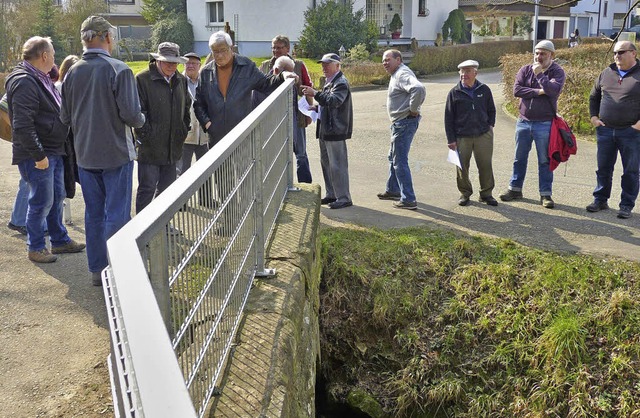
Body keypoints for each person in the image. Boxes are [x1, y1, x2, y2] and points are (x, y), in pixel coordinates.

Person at [60, 15, 146, 286]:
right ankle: (117, 270)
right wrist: (143, 120)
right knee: (116, 213)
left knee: (93, 213)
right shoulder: (119, 69)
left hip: (85, 155)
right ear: (107, 37)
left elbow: (64, 117)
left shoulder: (71, 72)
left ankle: (97, 270)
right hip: (116, 154)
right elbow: (132, 115)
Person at [5, 36, 85, 263]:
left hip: (54, 149)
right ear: (44, 56)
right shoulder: (25, 81)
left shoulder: (40, 77)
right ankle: (36, 247)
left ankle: (59, 240)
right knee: (41, 201)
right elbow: (22, 124)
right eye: (52, 53)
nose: (54, 58)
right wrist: (38, 155)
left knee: (56, 197)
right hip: (39, 154)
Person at [194, 31, 296, 148]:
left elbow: (266, 83)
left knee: (243, 165)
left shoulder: (246, 66)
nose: (219, 55)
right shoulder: (206, 73)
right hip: (216, 138)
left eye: (223, 50)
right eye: (215, 51)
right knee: (220, 167)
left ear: (231, 48)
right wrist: (208, 124)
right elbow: (199, 104)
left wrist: (282, 76)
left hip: (242, 136)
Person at [499, 40, 565, 209]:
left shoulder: (557, 71)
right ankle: (515, 189)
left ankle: (545, 194)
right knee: (519, 158)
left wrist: (540, 76)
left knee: (544, 160)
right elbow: (517, 90)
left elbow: (552, 91)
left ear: (551, 55)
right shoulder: (525, 69)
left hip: (544, 123)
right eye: (536, 53)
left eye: (543, 53)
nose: (538, 57)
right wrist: (539, 91)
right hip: (523, 121)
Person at [134, 42, 191, 213]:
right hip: (150, 149)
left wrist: (183, 129)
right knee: (147, 189)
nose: (172, 66)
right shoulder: (142, 79)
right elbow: (138, 112)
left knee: (167, 190)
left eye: (175, 62)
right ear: (158, 60)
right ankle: (142, 231)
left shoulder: (181, 79)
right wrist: (147, 135)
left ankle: (162, 226)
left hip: (173, 147)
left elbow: (186, 106)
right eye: (168, 62)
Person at [587, 41, 640, 219]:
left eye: (621, 52)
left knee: (630, 171)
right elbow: (593, 97)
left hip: (631, 132)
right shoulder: (606, 73)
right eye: (615, 53)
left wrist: (638, 126)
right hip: (605, 130)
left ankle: (626, 205)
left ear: (633, 53)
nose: (617, 56)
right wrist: (594, 118)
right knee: (603, 168)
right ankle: (600, 199)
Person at [257, 35, 313, 183]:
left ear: (288, 49)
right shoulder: (264, 66)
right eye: (274, 47)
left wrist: (309, 113)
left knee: (301, 154)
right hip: (273, 120)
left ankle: (305, 187)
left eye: (280, 47)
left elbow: (307, 89)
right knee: (277, 156)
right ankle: (280, 187)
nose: (276, 50)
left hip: (296, 116)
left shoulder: (299, 65)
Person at [302, 53, 353, 209]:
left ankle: (343, 197)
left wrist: (315, 94)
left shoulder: (341, 83)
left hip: (335, 131)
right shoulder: (332, 82)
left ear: (337, 65)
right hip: (327, 129)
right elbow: (329, 102)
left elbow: (335, 101)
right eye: (322, 64)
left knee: (337, 165)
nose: (324, 67)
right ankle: (332, 195)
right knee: (327, 164)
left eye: (327, 64)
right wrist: (317, 106)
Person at [377, 49, 426, 210]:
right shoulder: (397, 74)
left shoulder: (402, 74)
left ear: (398, 60)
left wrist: (413, 109)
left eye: (388, 59)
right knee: (393, 157)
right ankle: (393, 190)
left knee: (399, 161)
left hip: (404, 123)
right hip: (400, 123)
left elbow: (418, 88)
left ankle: (408, 199)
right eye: (383, 60)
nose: (385, 63)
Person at [445, 59, 497, 207]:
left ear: (476, 72)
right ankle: (465, 193)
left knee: (485, 165)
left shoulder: (484, 89)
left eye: (468, 71)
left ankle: (486, 194)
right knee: (462, 167)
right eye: (462, 71)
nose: (464, 74)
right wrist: (451, 139)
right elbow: (448, 118)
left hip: (483, 135)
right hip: (462, 136)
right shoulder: (454, 92)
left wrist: (490, 125)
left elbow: (491, 110)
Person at [179, 52, 208, 175]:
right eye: (187, 63)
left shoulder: (206, 82)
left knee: (204, 173)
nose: (190, 65)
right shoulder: (178, 82)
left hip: (203, 137)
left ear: (199, 65)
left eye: (194, 63)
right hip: (185, 137)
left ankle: (205, 195)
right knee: (182, 171)